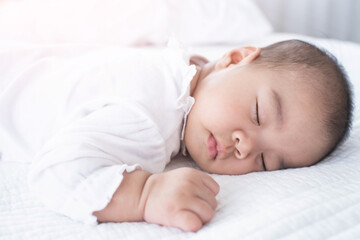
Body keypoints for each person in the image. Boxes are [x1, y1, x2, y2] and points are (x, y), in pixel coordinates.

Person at [0, 39, 353, 232]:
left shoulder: (176, 71)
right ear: (233, 59)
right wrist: (144, 194)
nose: (246, 147)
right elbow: (56, 171)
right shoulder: (151, 120)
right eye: (258, 113)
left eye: (266, 161)